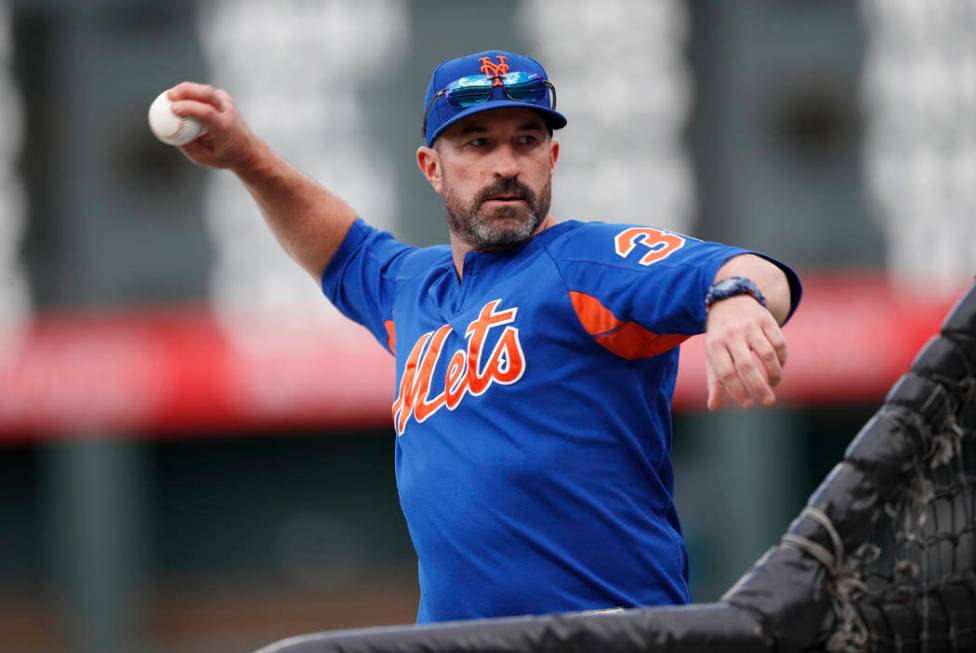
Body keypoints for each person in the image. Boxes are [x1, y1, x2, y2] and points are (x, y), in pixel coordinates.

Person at [167, 50, 801, 623]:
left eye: (526, 140)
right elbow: (337, 244)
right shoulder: (411, 288)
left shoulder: (585, 263)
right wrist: (247, 159)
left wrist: (736, 300)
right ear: (432, 168)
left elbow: (748, 271)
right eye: (476, 143)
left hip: (610, 635)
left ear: (551, 158)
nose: (505, 165)